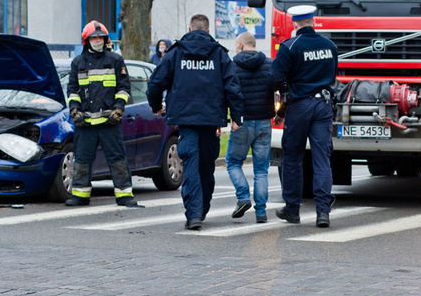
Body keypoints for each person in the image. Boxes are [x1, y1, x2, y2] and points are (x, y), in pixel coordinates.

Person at [147, 14, 244, 230]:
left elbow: (155, 83)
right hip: (211, 121)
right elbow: (232, 87)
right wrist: (237, 117)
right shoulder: (219, 53)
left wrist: (156, 107)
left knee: (190, 163)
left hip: (186, 120)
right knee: (206, 167)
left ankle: (194, 214)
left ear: (190, 29)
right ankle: (201, 209)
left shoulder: (176, 53)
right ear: (208, 31)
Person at [269, 5, 338, 228]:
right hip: (323, 106)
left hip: (299, 106)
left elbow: (275, 79)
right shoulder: (330, 46)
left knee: (292, 159)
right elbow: (332, 74)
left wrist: (283, 101)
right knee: (322, 160)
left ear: (294, 23)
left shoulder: (289, 47)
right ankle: (323, 213)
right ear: (313, 21)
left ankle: (292, 209)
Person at [65, 20, 142, 208]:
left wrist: (118, 109)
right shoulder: (77, 63)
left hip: (110, 122)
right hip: (85, 123)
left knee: (117, 159)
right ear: (87, 40)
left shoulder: (115, 60)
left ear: (106, 39)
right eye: (94, 37)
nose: (98, 40)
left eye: (100, 37)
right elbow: (72, 90)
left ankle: (124, 195)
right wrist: (75, 111)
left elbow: (124, 88)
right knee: (82, 159)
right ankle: (80, 196)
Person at [227, 31, 274, 223]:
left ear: (241, 45)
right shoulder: (270, 64)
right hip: (264, 122)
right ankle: (261, 212)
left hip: (242, 123)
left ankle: (243, 196)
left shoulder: (232, 66)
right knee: (261, 170)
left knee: (233, 162)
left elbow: (228, 93)